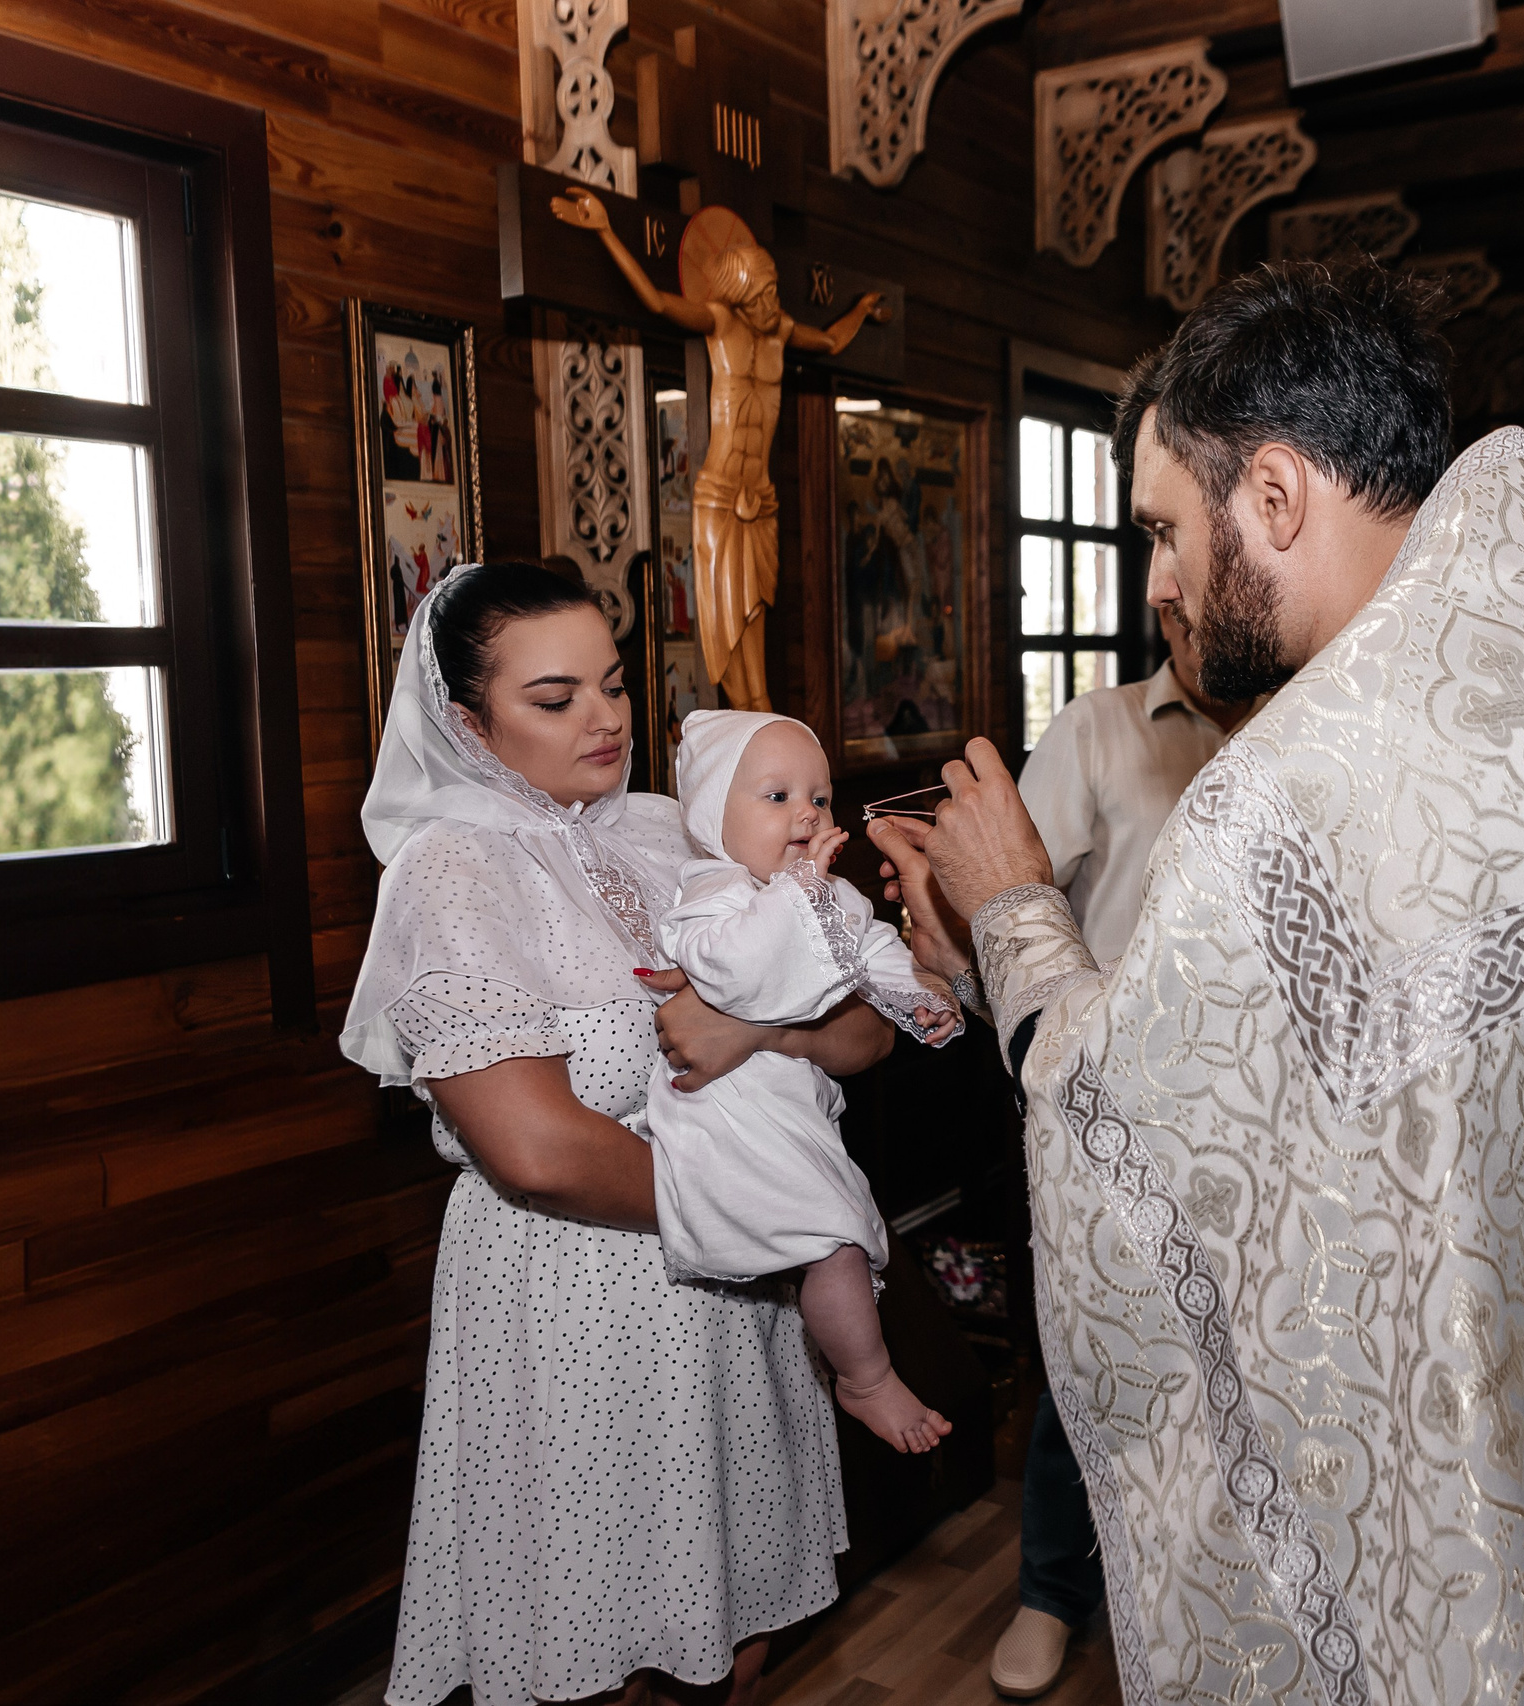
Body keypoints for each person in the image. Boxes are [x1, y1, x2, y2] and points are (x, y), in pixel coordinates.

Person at [872, 262, 1524, 1705]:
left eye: (1166, 529)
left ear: (1274, 498)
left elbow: (1147, 1148)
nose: (1155, 579)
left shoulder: (1296, 788)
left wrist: (1013, 913)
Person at [341, 562, 896, 1706]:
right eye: (554, 699)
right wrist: (766, 1198)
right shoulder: (452, 868)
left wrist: (757, 1038)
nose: (602, 719)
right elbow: (536, 1150)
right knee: (599, 1650)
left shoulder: (666, 832)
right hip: (579, 1299)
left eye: (612, 683)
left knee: (741, 1633)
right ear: (466, 721)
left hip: (738, 1293)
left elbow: (859, 1030)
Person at [990, 604, 1252, 1698]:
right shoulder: (1098, 729)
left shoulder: (1321, 722)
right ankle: (1052, 1589)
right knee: (1093, 1359)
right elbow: (1007, 896)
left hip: (1260, 1106)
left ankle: (1230, 1591)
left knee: (1250, 1366)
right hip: (1117, 1106)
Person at [648, 708, 962, 1454]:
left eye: (818, 797)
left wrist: (920, 1001)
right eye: (777, 796)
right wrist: (796, 895)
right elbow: (736, 970)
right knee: (836, 1237)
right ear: (711, 819)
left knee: (853, 1230)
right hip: (728, 1109)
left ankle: (855, 1367)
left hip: (795, 1103)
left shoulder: (827, 895)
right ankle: (866, 1377)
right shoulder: (712, 895)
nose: (807, 814)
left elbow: (873, 955)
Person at [550, 186, 885, 713]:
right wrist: (606, 231)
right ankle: (754, 752)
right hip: (722, 495)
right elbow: (658, 303)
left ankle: (767, 748)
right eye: (764, 292)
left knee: (756, 626)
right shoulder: (720, 323)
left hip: (763, 499)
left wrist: (862, 309)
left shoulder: (780, 333)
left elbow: (832, 342)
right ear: (740, 292)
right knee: (729, 639)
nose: (773, 302)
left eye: (775, 291)